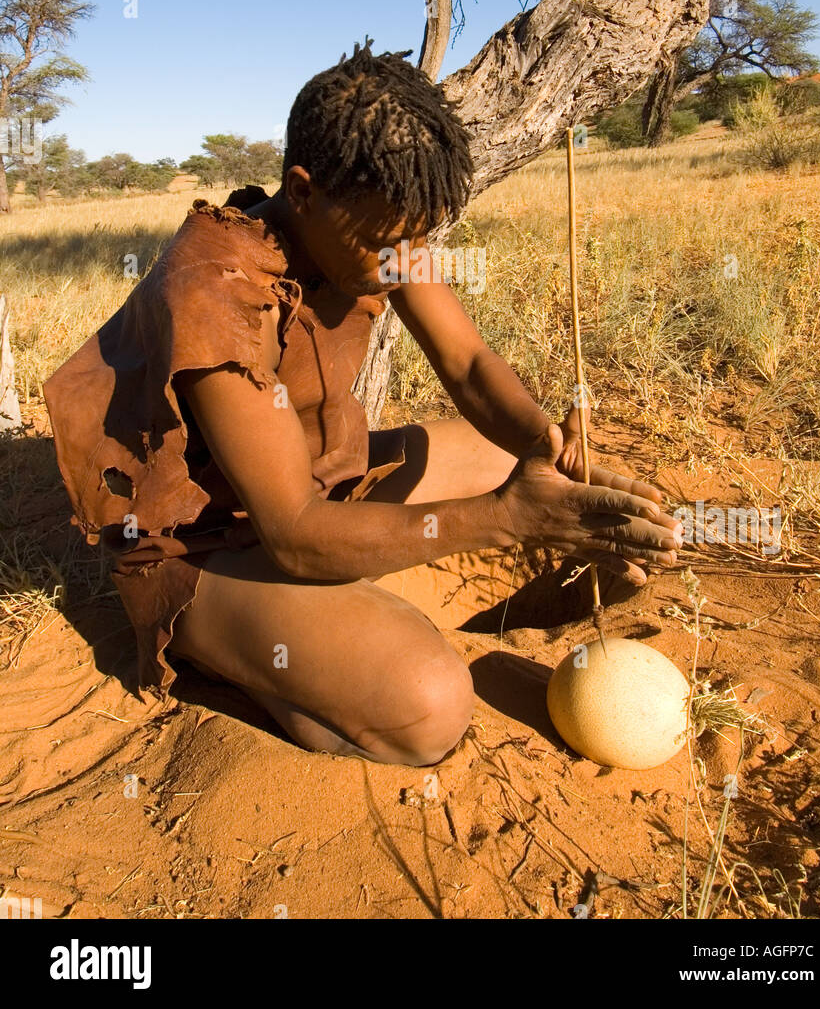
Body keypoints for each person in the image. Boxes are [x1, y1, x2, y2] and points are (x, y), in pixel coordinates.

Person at [44, 41, 682, 767]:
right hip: (209, 543)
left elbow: (469, 366)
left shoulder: (375, 232)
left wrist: (546, 445)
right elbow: (290, 531)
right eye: (389, 240)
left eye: (418, 236)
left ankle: (341, 613)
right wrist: (508, 521)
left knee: (505, 452)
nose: (404, 258)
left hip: (317, 483)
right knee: (430, 705)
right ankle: (241, 653)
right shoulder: (214, 291)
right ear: (305, 190)